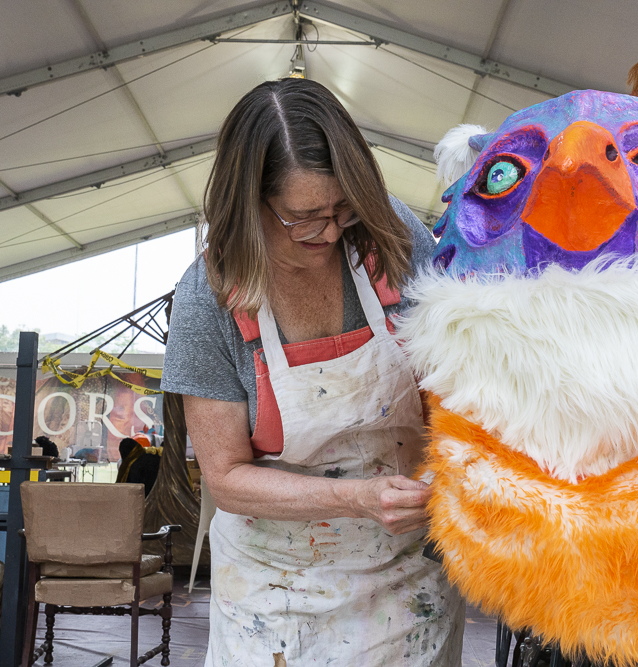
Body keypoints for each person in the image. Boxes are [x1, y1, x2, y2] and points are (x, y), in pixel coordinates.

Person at [160, 78, 463, 666]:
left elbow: (456, 385)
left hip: (407, 574)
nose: (329, 233)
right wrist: (358, 497)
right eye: (304, 218)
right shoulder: (208, 300)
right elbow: (226, 477)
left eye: (342, 209)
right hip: (276, 587)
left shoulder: (390, 239)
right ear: (248, 204)